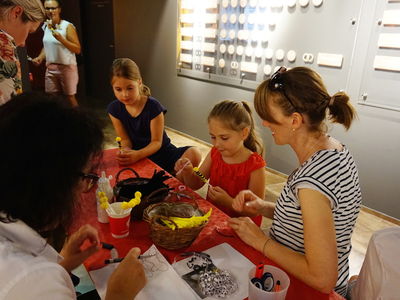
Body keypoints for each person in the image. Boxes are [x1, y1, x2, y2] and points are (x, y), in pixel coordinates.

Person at [228, 66, 362, 296]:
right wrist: (264, 207)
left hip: (304, 289)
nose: (265, 124)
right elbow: (309, 218)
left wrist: (260, 241)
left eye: (269, 118)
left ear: (295, 120)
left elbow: (322, 278)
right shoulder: (335, 150)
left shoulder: (312, 181)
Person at [0, 93, 146, 299]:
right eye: (85, 177)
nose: (82, 193)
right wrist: (119, 295)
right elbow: (32, 284)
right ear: (53, 184)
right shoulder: (34, 284)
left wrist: (63, 264)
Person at [175, 100, 266, 226]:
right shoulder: (215, 153)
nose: (217, 144)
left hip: (241, 228)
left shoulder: (255, 166)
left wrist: (229, 202)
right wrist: (188, 172)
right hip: (214, 220)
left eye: (224, 138)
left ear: (244, 133)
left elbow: (256, 210)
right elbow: (198, 182)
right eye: (213, 137)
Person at [107, 58, 202, 178]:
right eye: (118, 89)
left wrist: (138, 155)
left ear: (139, 83)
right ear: (112, 87)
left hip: (162, 154)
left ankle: (173, 181)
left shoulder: (154, 107)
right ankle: (165, 180)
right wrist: (126, 152)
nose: (124, 94)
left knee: (195, 153)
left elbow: (157, 142)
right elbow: (125, 139)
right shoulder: (114, 109)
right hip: (138, 156)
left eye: (130, 88)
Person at [32, 0, 80, 107]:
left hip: (66, 67)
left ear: (59, 9)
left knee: (70, 97)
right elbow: (47, 46)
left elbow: (77, 49)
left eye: (53, 8)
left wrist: (61, 39)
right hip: (50, 68)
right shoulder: (46, 26)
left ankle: (79, 121)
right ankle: (57, 120)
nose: (50, 11)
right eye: (47, 8)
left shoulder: (67, 26)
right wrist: (40, 57)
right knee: (51, 98)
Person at [0, 0, 45, 105]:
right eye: (29, 31)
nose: (23, 44)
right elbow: (8, 111)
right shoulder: (3, 45)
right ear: (16, 13)